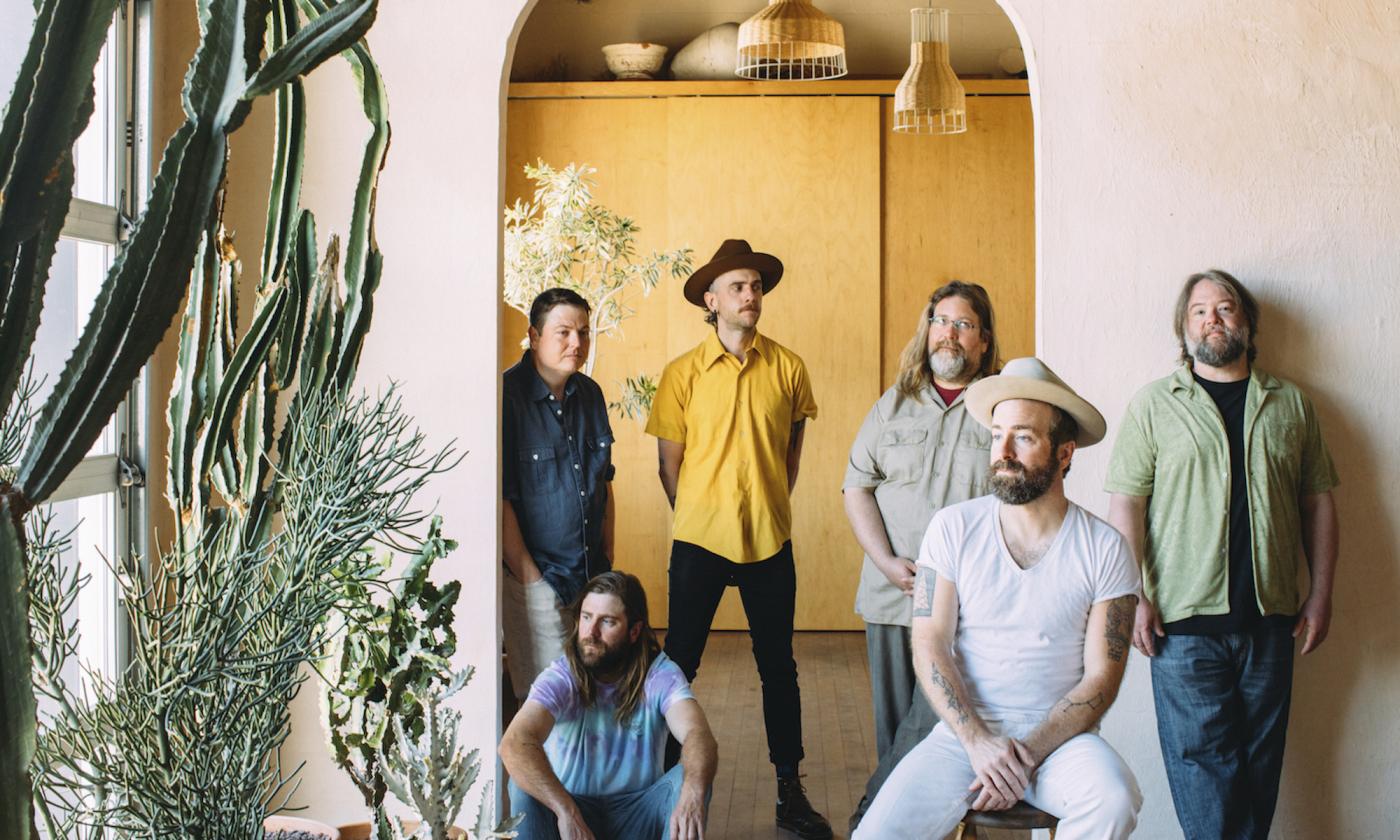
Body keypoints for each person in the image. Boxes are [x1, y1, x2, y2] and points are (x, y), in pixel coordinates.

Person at [855, 357, 1143, 840]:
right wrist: (979, 743)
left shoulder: (1106, 548)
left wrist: (1024, 756)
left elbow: (1102, 680)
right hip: (962, 735)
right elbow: (930, 646)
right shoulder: (952, 528)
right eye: (996, 435)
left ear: (1065, 453)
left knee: (1115, 799)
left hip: (1060, 742)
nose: (1002, 451)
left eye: (1024, 437)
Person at [1106, 269, 1340, 838]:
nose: (1213, 318)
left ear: (1247, 322)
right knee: (1204, 773)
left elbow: (1320, 506)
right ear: (1183, 329)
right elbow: (1125, 508)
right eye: (1199, 311)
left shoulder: (1292, 405)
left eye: (1226, 307)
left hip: (1272, 623)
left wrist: (1321, 595)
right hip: (1182, 627)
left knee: (1259, 772)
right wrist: (1133, 596)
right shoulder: (1154, 406)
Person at [644, 239, 832, 839]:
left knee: (779, 667)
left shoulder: (789, 367)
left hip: (770, 542)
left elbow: (791, 453)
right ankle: (662, 784)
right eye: (739, 287)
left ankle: (789, 791)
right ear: (712, 298)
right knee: (679, 665)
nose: (751, 296)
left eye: (756, 286)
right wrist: (700, 514)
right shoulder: (681, 374)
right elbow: (667, 464)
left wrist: (768, 505)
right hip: (699, 540)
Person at [842, 281, 999, 831]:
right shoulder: (893, 406)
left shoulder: (998, 409)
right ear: (927, 330)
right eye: (941, 321)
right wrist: (885, 561)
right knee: (895, 727)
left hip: (967, 602)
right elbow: (856, 488)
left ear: (983, 341)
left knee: (947, 724)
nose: (949, 334)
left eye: (964, 325)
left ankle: (875, 818)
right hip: (892, 594)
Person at [500, 571, 718, 840]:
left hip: (638, 815)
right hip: (572, 815)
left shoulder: (660, 675)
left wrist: (693, 793)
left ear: (634, 631)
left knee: (692, 776)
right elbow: (514, 742)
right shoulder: (561, 675)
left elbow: (699, 735)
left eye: (607, 622)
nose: (591, 633)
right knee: (523, 784)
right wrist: (566, 811)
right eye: (586, 617)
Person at [502, 288, 615, 701]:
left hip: (592, 578)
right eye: (563, 332)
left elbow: (604, 481)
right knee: (546, 708)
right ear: (534, 336)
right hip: (539, 582)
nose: (577, 343)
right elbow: (502, 500)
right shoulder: (506, 399)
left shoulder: (591, 395)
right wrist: (531, 579)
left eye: (583, 332)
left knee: (592, 698)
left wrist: (608, 553)